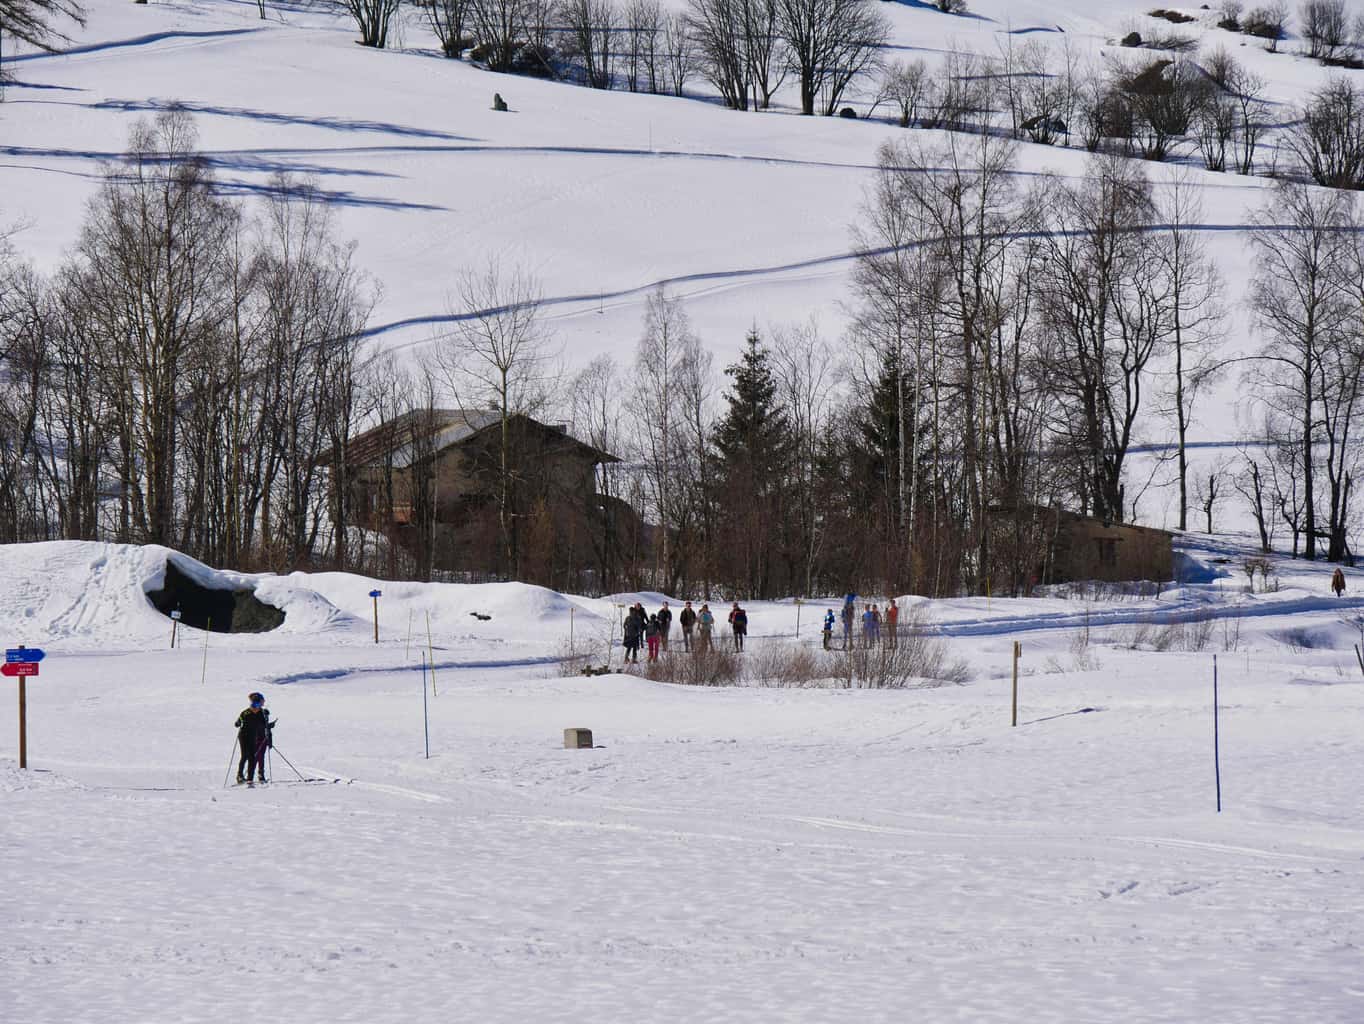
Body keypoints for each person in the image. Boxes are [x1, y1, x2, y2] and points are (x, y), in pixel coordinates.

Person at [235, 691, 272, 785]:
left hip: (253, 736)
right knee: (245, 755)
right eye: (254, 705)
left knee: (252, 756)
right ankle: (239, 776)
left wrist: (269, 725)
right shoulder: (246, 713)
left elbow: (263, 725)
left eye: (258, 705)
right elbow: (238, 722)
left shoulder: (261, 713)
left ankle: (249, 779)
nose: (256, 708)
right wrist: (238, 723)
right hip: (243, 735)